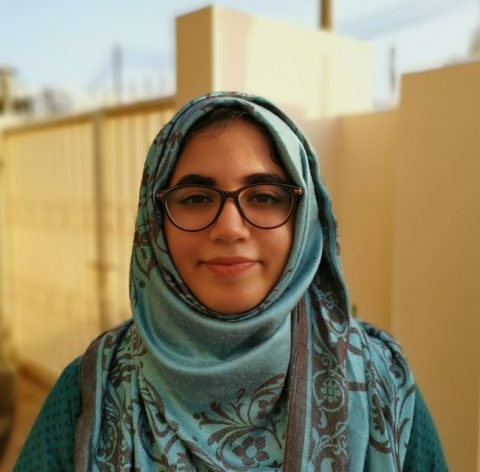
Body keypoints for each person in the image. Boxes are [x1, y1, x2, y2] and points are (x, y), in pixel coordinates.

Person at [14, 92, 447, 471]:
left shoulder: (379, 381)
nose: (229, 228)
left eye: (264, 197)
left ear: (303, 219)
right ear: (154, 221)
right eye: (196, 198)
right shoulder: (91, 391)